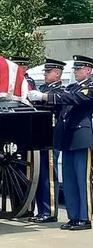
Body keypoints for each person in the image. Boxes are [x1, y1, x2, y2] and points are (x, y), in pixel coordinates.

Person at [28, 54, 93, 231]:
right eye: (75, 69)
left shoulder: (89, 88)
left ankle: (84, 218)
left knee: (82, 179)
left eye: (79, 69)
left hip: (81, 136)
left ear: (88, 70)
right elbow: (65, 98)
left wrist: (44, 97)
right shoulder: (72, 87)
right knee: (70, 180)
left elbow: (73, 99)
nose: (76, 72)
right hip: (67, 137)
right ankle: (73, 217)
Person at [28, 58, 65, 223]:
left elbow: (59, 100)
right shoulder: (42, 88)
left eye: (48, 72)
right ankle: (39, 210)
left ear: (57, 74)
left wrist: (43, 97)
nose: (45, 74)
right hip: (39, 136)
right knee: (39, 175)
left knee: (48, 175)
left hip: (51, 136)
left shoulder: (60, 90)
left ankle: (49, 211)